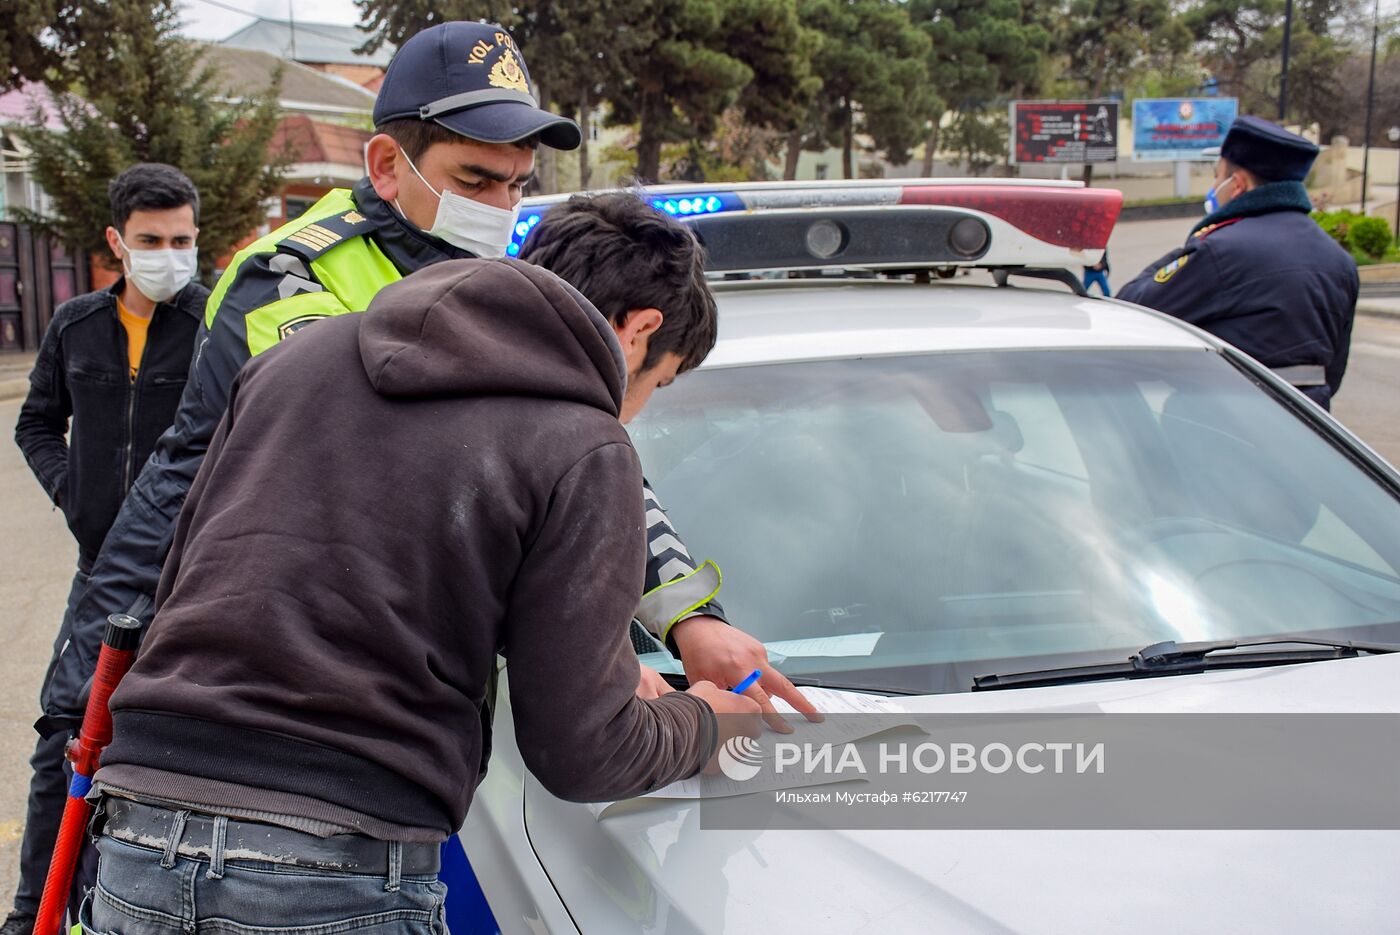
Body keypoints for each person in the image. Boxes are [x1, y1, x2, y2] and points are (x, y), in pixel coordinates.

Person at [43, 20, 813, 761]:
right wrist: (589, 659)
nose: (498, 209)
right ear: (386, 166)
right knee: (69, 794)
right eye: (474, 180)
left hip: (360, 702)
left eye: (516, 185)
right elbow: (389, 484)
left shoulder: (498, 285)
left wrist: (688, 619)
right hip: (167, 610)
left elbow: (580, 456)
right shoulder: (291, 277)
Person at [82, 192, 761, 933]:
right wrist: (707, 722)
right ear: (639, 330)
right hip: (332, 863)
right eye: (656, 386)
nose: (634, 411)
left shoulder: (295, 361)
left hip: (138, 835)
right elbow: (580, 751)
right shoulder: (584, 441)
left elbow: (188, 572)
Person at [5, 164, 204, 935]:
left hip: (185, 571)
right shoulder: (77, 324)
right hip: (103, 571)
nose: (170, 254)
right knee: (65, 731)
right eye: (152, 240)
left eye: (183, 239)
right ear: (117, 242)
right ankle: (34, 915)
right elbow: (35, 423)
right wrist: (75, 494)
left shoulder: (213, 327)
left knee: (163, 741)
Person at [1119, 116, 1359, 410]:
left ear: (1238, 185)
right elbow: (1332, 372)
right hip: (1308, 436)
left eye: (1218, 176)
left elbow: (1134, 309)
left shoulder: (1221, 251)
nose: (1214, 185)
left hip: (1223, 430)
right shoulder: (1339, 260)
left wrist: (1198, 241)